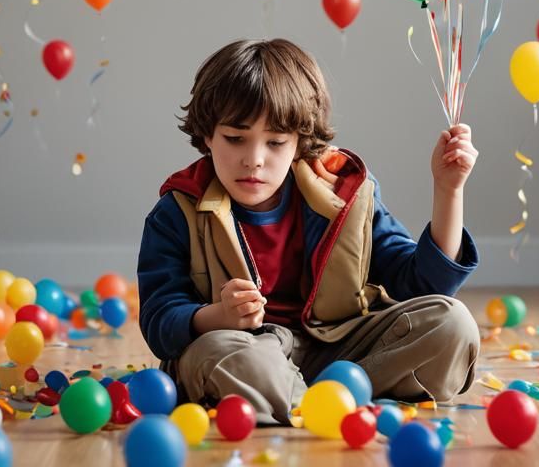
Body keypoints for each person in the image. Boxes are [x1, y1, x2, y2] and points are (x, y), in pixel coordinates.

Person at [137, 38, 480, 424]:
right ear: (207, 136)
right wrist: (215, 316)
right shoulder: (177, 211)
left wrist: (448, 191)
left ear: (300, 143)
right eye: (235, 138)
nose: (254, 159)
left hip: (340, 348)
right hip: (247, 350)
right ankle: (324, 405)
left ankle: (307, 401)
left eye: (276, 142)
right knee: (227, 356)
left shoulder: (345, 194)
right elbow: (158, 318)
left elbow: (421, 286)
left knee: (453, 324)